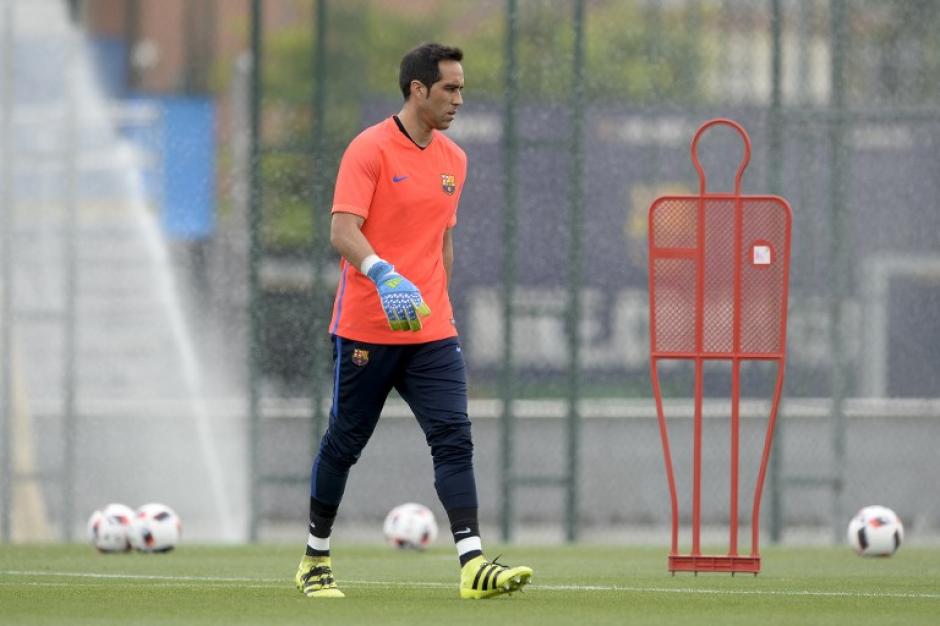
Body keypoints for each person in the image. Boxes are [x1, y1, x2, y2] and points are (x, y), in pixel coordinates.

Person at [294, 43, 532, 600]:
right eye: (449, 88)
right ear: (417, 89)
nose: (458, 99)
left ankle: (473, 565)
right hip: (366, 329)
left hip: (430, 332)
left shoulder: (455, 159)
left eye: (462, 89)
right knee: (345, 442)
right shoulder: (368, 149)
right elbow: (342, 231)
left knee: (454, 438)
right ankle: (315, 559)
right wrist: (383, 273)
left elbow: (443, 241)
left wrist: (435, 303)